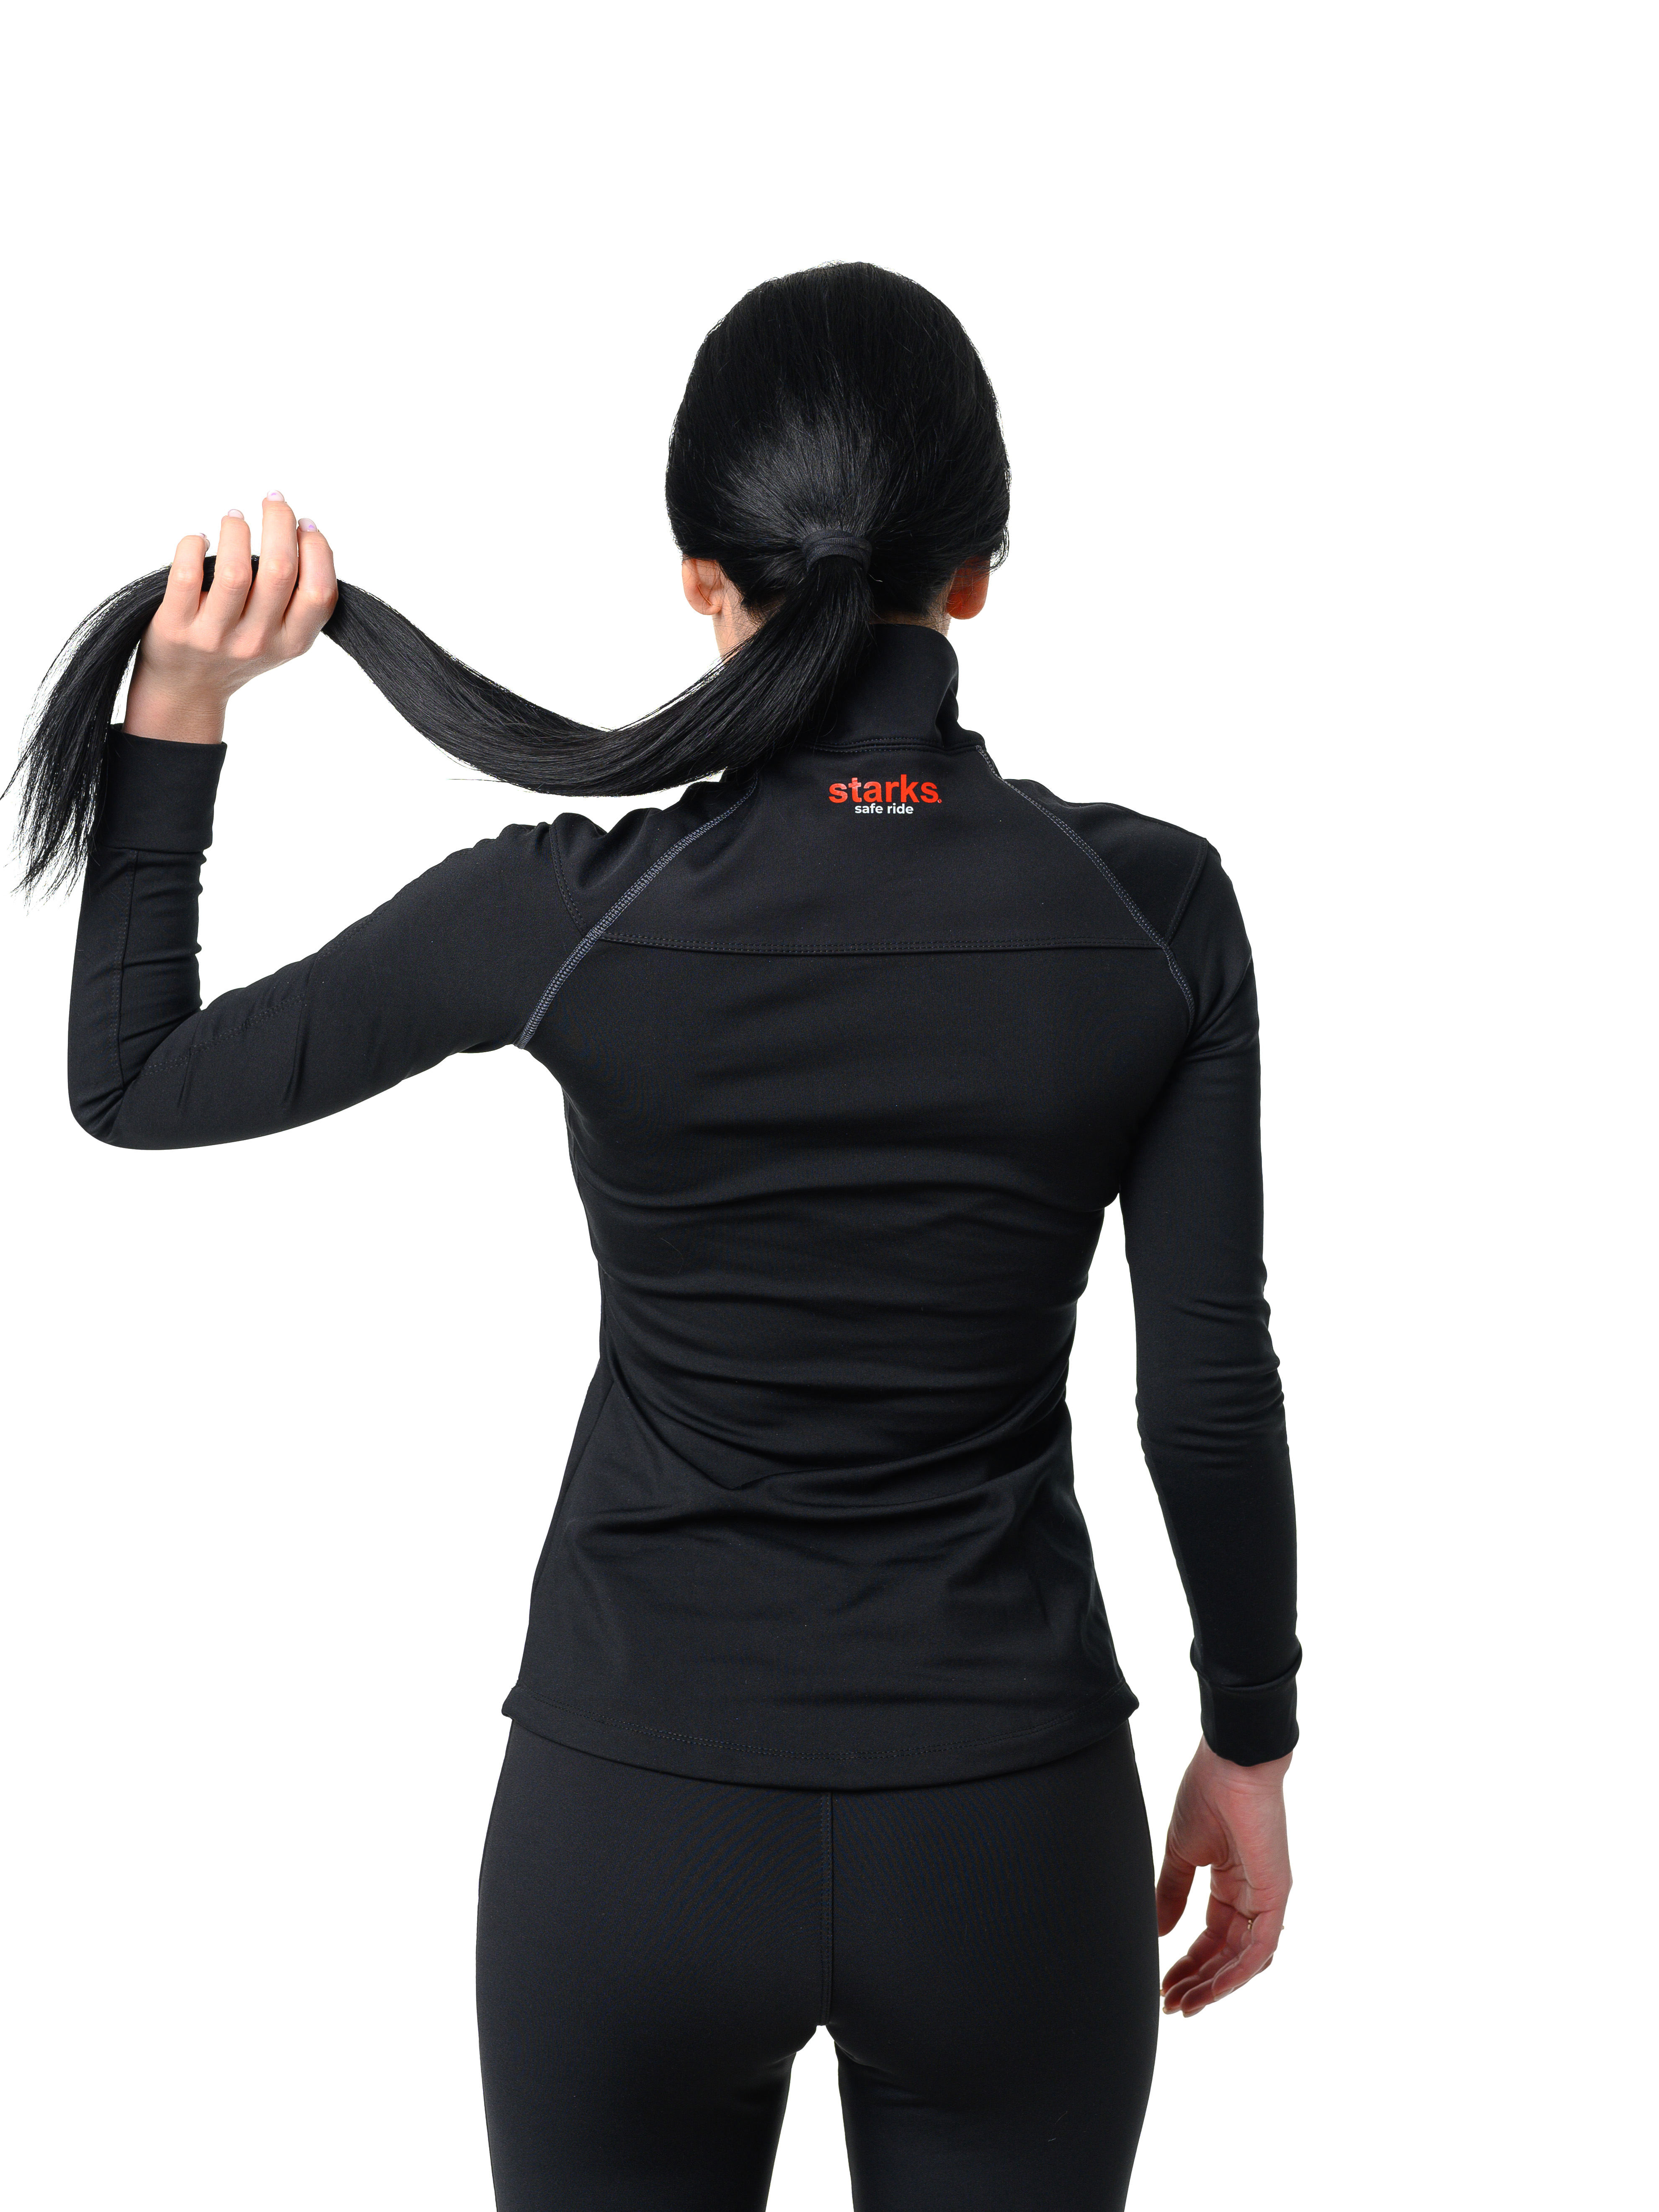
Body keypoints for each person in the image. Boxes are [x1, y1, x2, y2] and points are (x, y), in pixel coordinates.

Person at [31, 264, 1298, 2211]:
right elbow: (1203, 1391)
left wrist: (179, 717)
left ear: (702, 578)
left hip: (630, 1832)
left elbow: (136, 1079)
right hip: (1004, 1836)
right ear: (975, 576)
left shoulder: (572, 910)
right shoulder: (1159, 911)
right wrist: (1249, 1744)